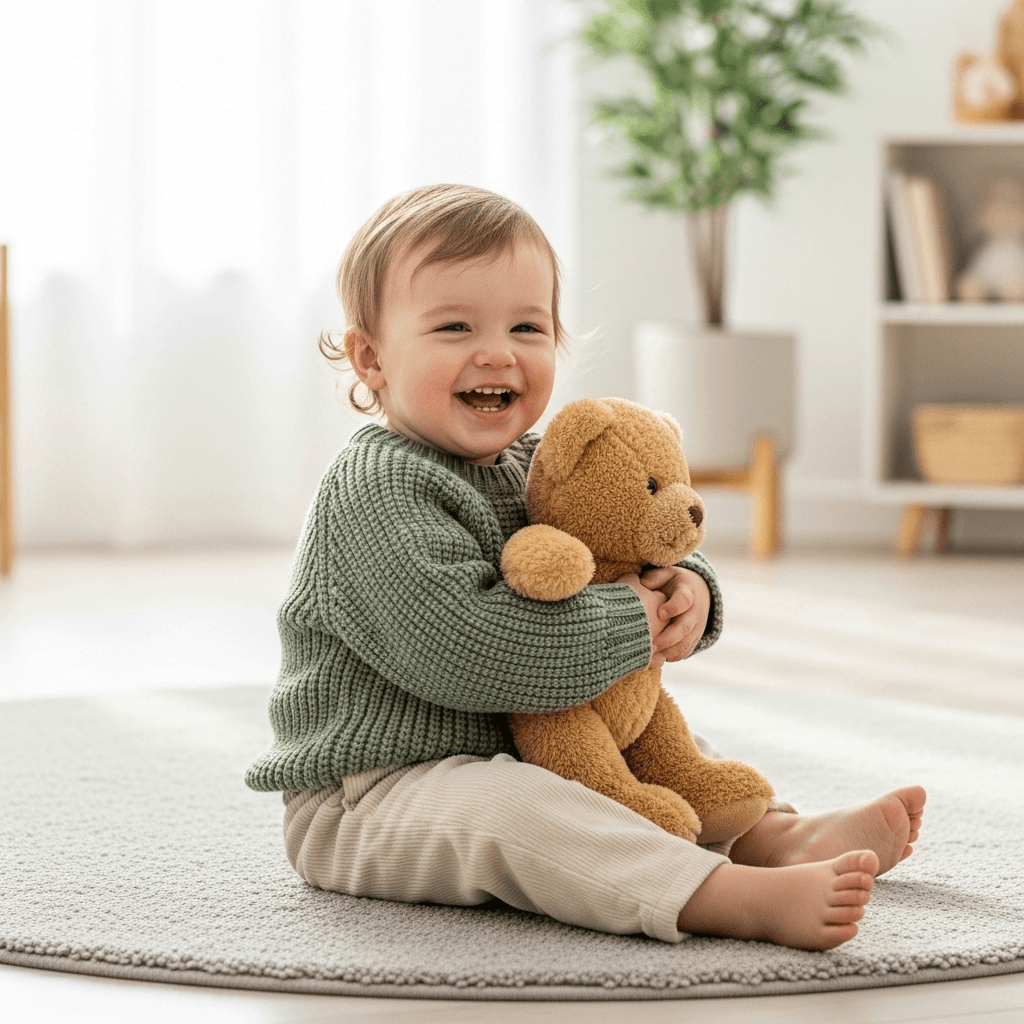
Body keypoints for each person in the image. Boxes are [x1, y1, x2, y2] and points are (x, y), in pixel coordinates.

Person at [245, 183, 925, 950]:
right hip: (378, 793)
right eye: (455, 325)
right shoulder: (375, 488)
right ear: (371, 357)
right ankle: (721, 894)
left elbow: (631, 537)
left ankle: (769, 832)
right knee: (512, 811)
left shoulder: (541, 464)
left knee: (657, 741)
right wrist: (632, 618)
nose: (499, 351)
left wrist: (688, 589)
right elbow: (475, 653)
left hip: (541, 748)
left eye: (528, 326)